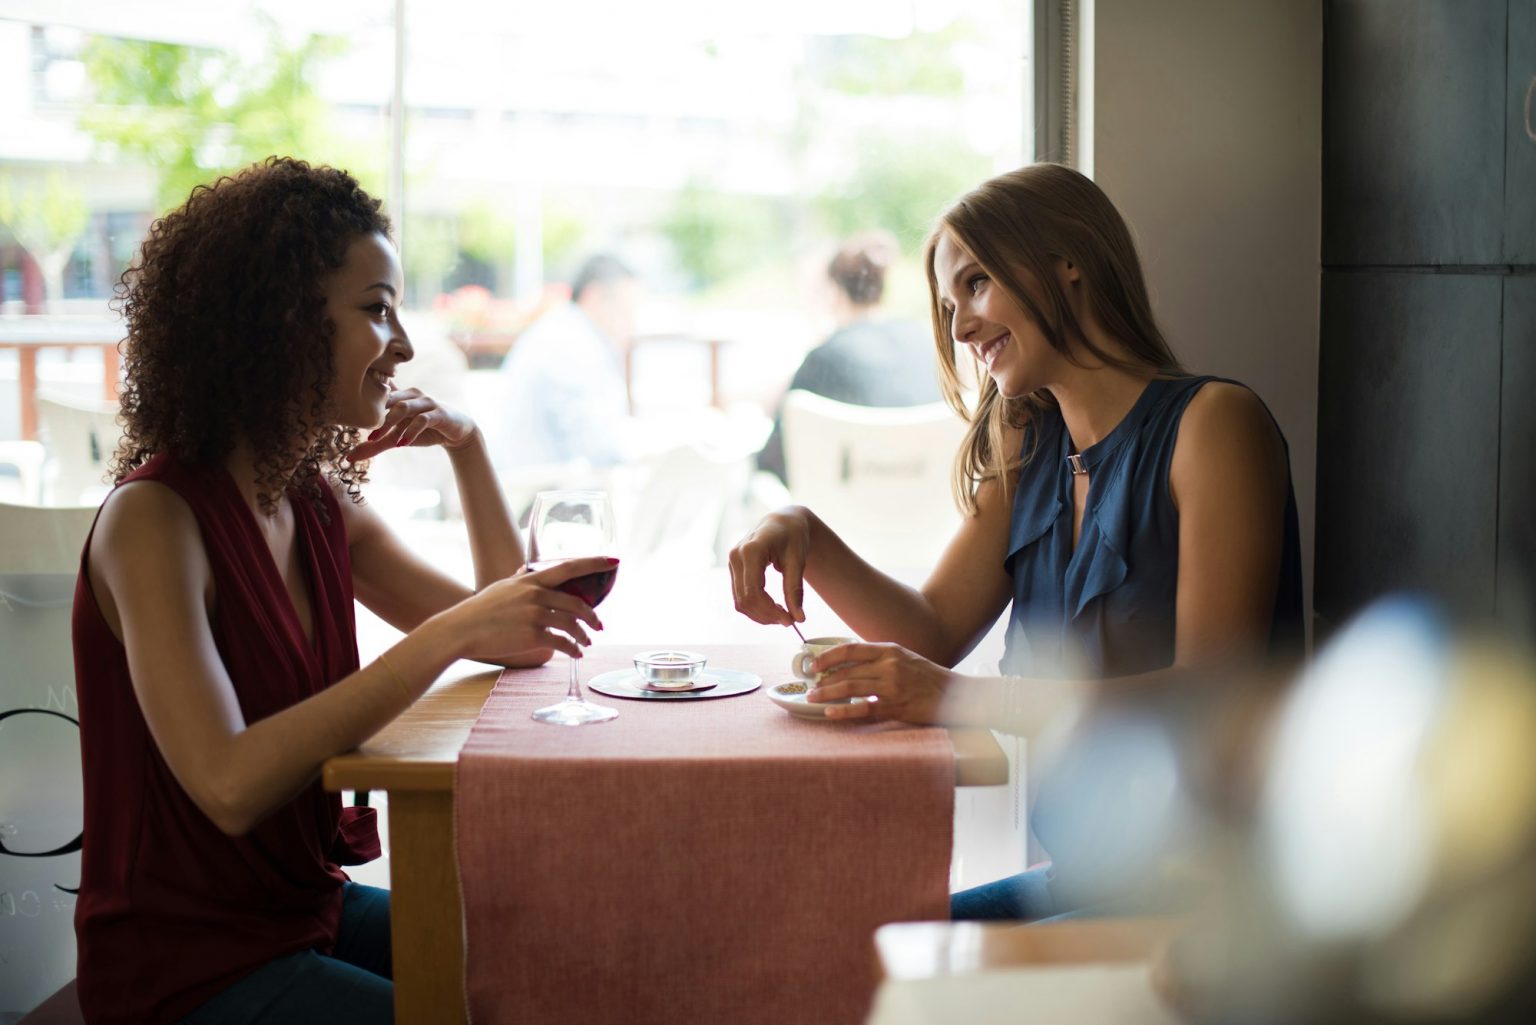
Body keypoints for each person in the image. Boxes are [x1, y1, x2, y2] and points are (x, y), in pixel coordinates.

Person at [73, 157, 610, 1024]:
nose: (401, 343)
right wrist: (440, 639)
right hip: (182, 966)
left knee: (546, 963)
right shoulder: (154, 520)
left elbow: (522, 628)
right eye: (375, 310)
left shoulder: (311, 502)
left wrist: (468, 449)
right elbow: (229, 782)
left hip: (299, 913)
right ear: (278, 325)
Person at [728, 163, 1303, 922]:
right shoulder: (1031, 440)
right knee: (845, 944)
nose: (961, 328)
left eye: (974, 285)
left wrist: (959, 699)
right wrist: (806, 532)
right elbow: (930, 629)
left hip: (1206, 904)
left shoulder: (1215, 426)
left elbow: (1208, 695)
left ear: (1067, 262)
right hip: (1083, 881)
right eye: (947, 304)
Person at [756, 231, 941, 484]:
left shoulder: (826, 358)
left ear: (834, 291)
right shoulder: (926, 342)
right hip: (932, 510)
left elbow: (772, 461)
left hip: (839, 517)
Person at [492, 253, 637, 470]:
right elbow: (599, 447)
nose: (631, 324)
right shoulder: (571, 345)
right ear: (594, 296)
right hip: (536, 493)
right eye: (626, 310)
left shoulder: (566, 330)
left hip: (540, 484)